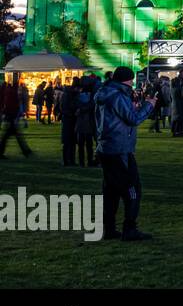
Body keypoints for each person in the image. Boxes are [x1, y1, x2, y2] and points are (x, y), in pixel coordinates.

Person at [95, 66, 156, 241]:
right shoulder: (118, 95)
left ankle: (109, 228)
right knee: (133, 188)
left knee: (111, 190)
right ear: (128, 80)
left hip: (106, 147)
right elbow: (133, 119)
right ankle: (130, 228)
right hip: (119, 148)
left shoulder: (104, 93)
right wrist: (148, 105)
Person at [0, 75, 33, 159]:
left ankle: (25, 150)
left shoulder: (9, 89)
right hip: (11, 114)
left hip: (10, 113)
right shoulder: (12, 90)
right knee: (14, 135)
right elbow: (12, 103)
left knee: (11, 135)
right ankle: (25, 150)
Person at [60, 79, 82, 166]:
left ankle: (69, 160)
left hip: (69, 119)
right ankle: (67, 160)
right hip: (69, 119)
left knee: (70, 141)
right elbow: (65, 108)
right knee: (69, 141)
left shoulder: (68, 94)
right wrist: (74, 113)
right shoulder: (70, 95)